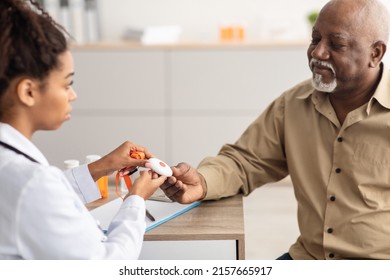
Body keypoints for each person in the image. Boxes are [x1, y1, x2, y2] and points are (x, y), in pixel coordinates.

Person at [161, 0, 390, 260]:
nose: (318, 53)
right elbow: (244, 161)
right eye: (315, 39)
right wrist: (202, 182)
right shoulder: (293, 104)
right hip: (309, 258)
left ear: (375, 53)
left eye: (336, 45)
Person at [0, 0, 166, 259]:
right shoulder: (30, 183)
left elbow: (45, 200)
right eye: (67, 84)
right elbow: (108, 267)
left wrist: (102, 166)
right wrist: (137, 199)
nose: (73, 95)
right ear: (28, 91)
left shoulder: (15, 170)